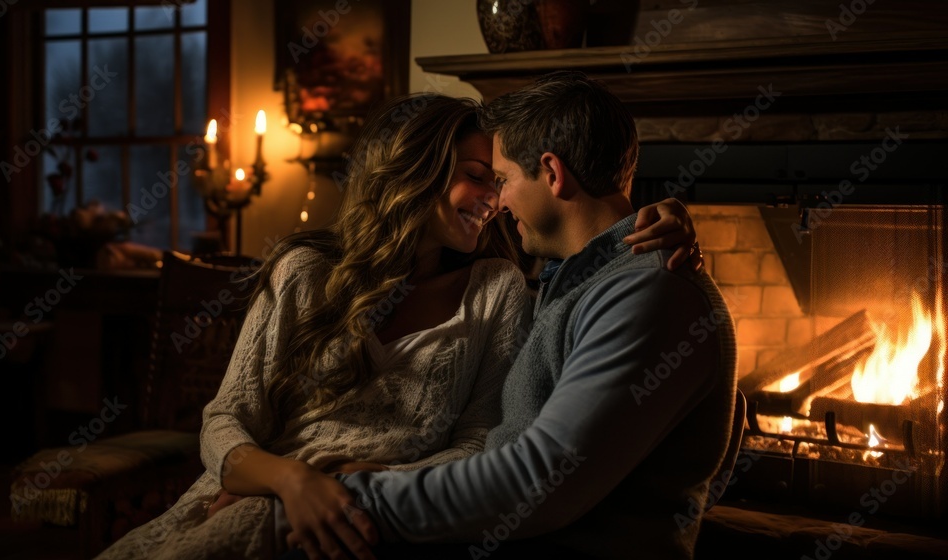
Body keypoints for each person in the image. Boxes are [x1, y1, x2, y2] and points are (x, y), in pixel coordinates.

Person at [95, 92, 698, 560]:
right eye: (476, 174)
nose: (494, 198)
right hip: (253, 493)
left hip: (381, 516)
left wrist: (357, 479)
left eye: (500, 178)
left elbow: (481, 439)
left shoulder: (496, 290)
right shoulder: (304, 272)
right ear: (415, 170)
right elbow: (226, 419)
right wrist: (289, 481)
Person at [283, 72, 738, 560]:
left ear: (552, 172)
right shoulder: (573, 283)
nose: (497, 203)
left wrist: (344, 500)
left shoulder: (649, 289)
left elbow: (537, 479)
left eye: (501, 180)